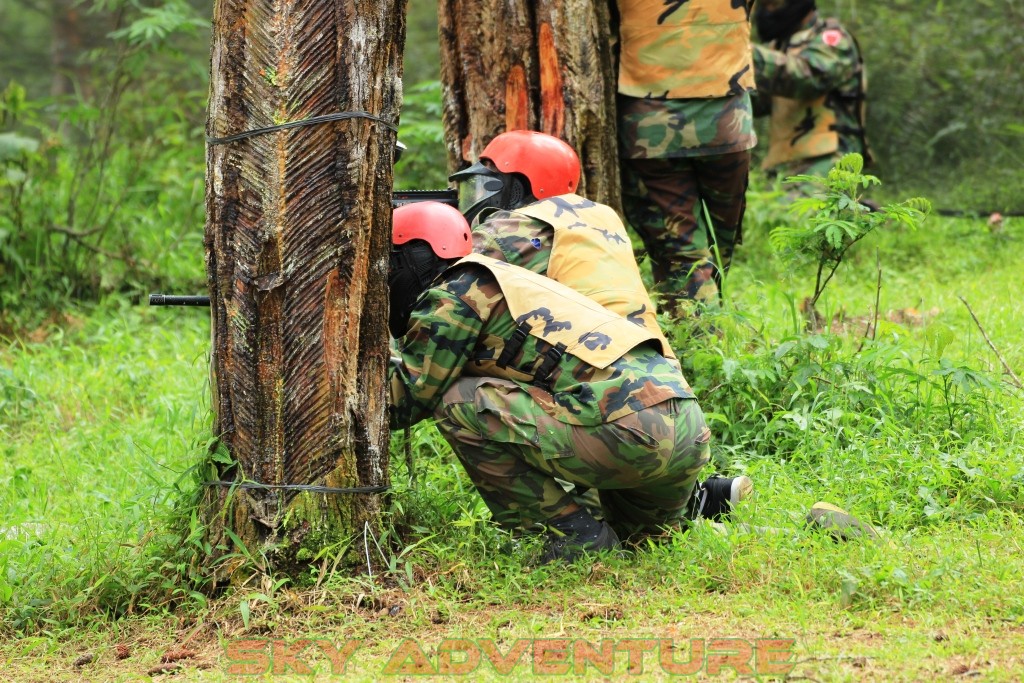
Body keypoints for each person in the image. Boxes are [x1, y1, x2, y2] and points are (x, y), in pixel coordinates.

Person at [388, 201, 723, 561]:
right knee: (639, 546)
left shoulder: (456, 293)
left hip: (630, 433)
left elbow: (406, 400)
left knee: (457, 402)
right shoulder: (517, 280)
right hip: (688, 431)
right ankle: (704, 508)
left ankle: (570, 538)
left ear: (412, 258)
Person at [449, 130, 753, 511]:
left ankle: (570, 534)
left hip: (600, 397)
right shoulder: (600, 218)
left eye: (492, 183)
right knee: (640, 540)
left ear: (520, 185)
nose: (483, 198)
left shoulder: (519, 228)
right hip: (673, 399)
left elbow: (450, 283)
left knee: (460, 389)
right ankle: (699, 500)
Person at [614, 0, 758, 309]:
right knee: (720, 246)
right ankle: (712, 337)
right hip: (727, 124)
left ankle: (699, 348)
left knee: (684, 255)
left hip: (651, 127)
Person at [751, 0, 871, 182]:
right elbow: (758, 103)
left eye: (774, 5)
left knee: (803, 210)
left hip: (830, 163)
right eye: (766, 6)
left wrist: (741, 52)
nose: (768, 12)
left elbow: (808, 78)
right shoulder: (779, 47)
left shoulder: (831, 38)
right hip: (782, 168)